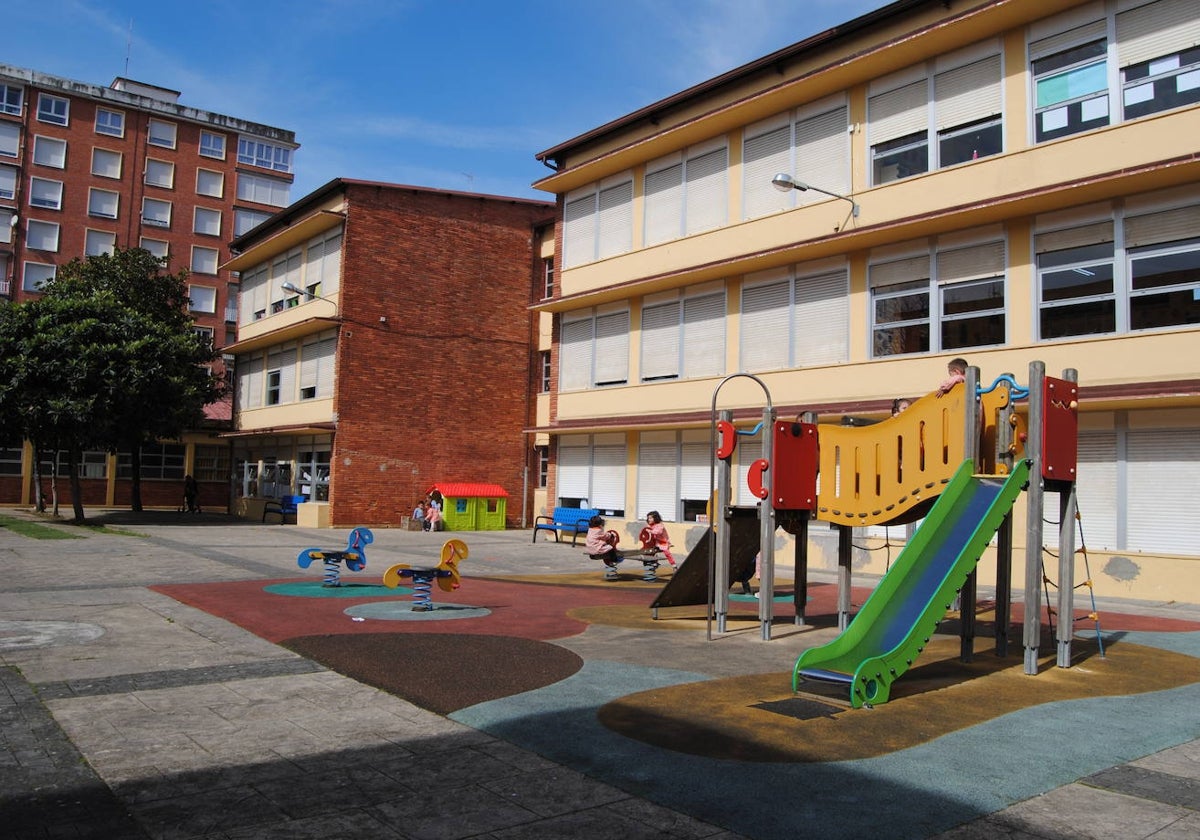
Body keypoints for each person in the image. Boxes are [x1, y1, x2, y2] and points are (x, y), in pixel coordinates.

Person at [585, 515, 624, 580]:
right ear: (599, 524)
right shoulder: (598, 530)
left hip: (589, 548)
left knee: (605, 547)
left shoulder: (590, 529)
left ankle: (610, 565)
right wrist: (611, 535)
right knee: (610, 547)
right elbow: (605, 536)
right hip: (596, 549)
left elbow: (599, 537)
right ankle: (614, 559)